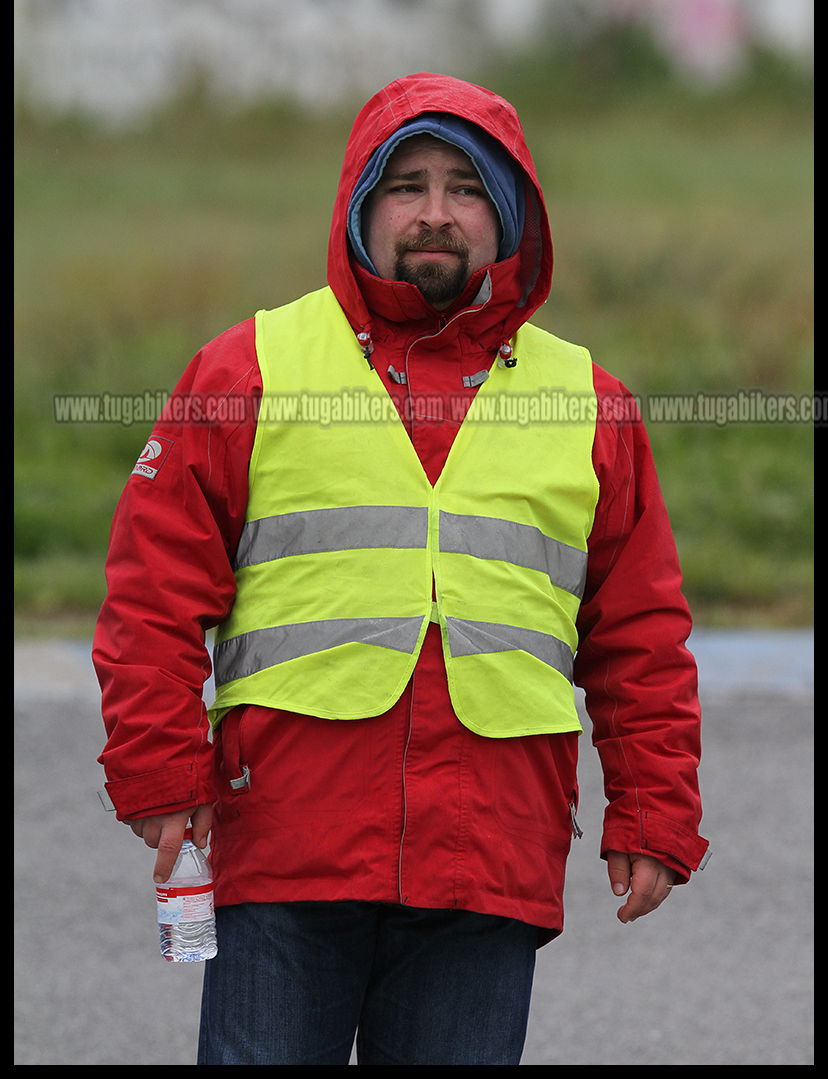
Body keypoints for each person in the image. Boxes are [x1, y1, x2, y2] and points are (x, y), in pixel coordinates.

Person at [93, 72, 709, 1066]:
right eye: (405, 185)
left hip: (489, 852)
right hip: (288, 838)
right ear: (359, 205)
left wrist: (652, 809)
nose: (434, 213)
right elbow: (152, 596)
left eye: (465, 187)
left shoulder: (588, 401)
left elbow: (641, 637)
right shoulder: (247, 368)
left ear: (509, 216)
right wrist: (161, 769)